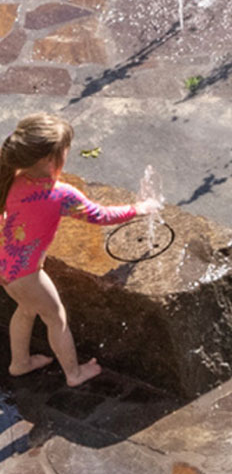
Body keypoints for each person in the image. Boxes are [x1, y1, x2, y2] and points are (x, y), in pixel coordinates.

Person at [1, 114, 160, 386]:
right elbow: (100, 215)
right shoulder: (60, 194)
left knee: (26, 309)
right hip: (26, 274)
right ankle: (74, 373)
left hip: (6, 267)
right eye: (66, 150)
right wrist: (138, 209)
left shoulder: (12, 179)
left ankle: (20, 363)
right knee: (56, 317)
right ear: (49, 159)